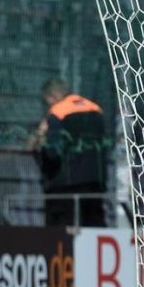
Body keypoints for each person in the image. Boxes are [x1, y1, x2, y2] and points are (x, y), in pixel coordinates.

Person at [27, 77, 109, 227]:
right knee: (94, 229)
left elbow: (53, 153)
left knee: (63, 237)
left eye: (47, 101)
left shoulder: (58, 112)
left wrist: (40, 144)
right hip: (96, 183)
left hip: (66, 188)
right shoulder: (96, 109)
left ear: (52, 97)